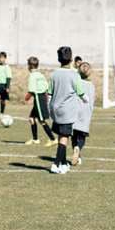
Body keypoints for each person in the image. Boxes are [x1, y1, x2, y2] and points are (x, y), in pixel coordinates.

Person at [48, 46, 88, 174]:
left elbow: (49, 93)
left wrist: (49, 107)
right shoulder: (74, 75)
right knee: (64, 138)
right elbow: (81, 92)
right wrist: (86, 100)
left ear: (58, 59)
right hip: (67, 111)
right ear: (71, 59)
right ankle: (55, 164)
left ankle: (64, 163)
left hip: (55, 109)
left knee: (61, 136)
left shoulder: (54, 74)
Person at [24, 56, 56, 146]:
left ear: (30, 66)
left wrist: (26, 98)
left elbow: (31, 90)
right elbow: (46, 87)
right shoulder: (40, 75)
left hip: (38, 98)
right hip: (42, 97)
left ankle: (53, 139)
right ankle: (35, 139)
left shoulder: (32, 76)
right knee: (31, 118)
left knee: (41, 120)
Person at [72, 61, 95, 166]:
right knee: (82, 136)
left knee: (74, 135)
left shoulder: (75, 83)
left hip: (74, 111)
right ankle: (78, 148)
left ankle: (77, 154)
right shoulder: (91, 85)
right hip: (85, 113)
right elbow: (91, 101)